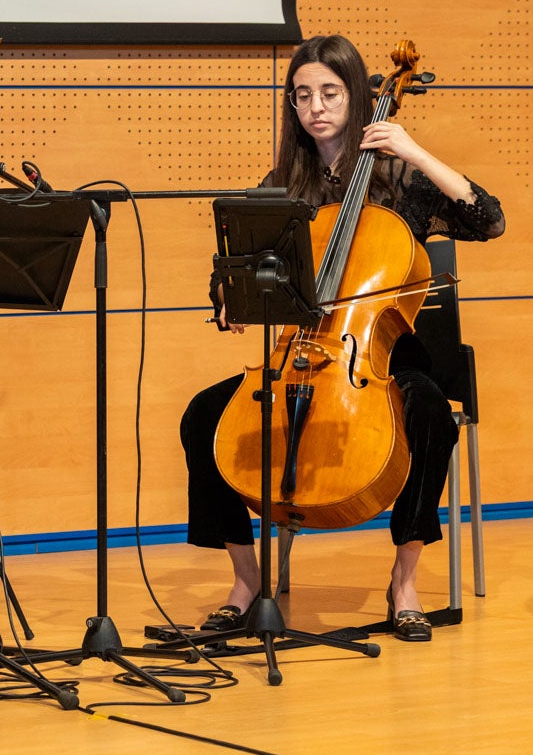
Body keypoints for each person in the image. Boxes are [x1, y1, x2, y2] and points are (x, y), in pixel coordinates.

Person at [180, 34, 505, 642]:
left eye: (329, 92)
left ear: (356, 96)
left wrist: (415, 149)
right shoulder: (284, 184)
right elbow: (235, 269)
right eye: (302, 95)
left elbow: (489, 219)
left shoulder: (399, 175)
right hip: (301, 355)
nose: (316, 107)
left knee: (431, 412)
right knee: (202, 417)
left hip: (386, 359)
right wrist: (230, 295)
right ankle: (247, 580)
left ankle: (404, 580)